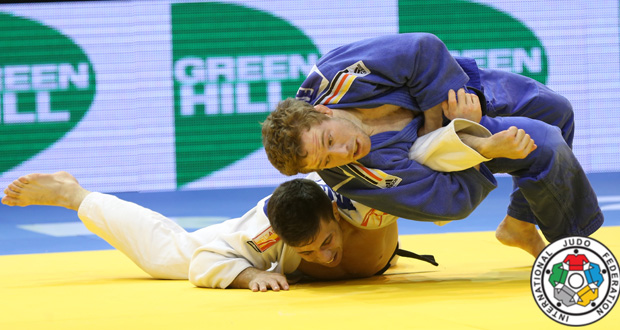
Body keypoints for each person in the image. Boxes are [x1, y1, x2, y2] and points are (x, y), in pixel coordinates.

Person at [261, 33, 604, 257]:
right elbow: (446, 202)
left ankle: (520, 224)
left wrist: (433, 124)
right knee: (544, 144)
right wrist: (468, 138)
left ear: (322, 110)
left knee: (557, 111)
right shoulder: (354, 177)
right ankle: (575, 258)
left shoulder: (338, 74)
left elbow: (421, 49)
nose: (341, 154)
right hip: (461, 147)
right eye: (326, 161)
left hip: (457, 90)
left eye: (330, 140)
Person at [1, 171, 435, 291]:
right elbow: (205, 261)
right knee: (167, 257)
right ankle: (74, 194)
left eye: (325, 242)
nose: (323, 256)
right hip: (262, 227)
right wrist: (250, 276)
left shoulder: (363, 199)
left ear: (335, 217)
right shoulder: (265, 233)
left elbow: (429, 169)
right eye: (308, 251)